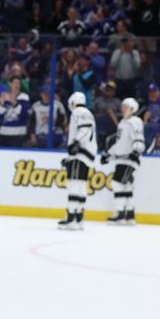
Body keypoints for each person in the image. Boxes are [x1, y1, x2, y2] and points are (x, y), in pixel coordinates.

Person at [102, 97, 145, 225]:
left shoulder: (135, 121)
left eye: (125, 106)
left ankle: (120, 213)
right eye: (122, 106)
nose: (122, 108)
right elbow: (119, 142)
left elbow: (138, 138)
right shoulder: (122, 123)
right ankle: (129, 214)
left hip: (128, 159)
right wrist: (108, 154)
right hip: (121, 159)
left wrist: (136, 151)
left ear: (132, 109)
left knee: (117, 183)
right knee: (126, 186)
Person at [58, 92, 97, 231]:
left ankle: (71, 218)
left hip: (79, 153)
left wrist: (75, 143)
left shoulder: (78, 112)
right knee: (80, 185)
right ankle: (79, 217)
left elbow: (84, 129)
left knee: (73, 184)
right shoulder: (89, 113)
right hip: (87, 155)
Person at [0, 76, 30, 147]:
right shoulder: (5, 96)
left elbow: (23, 114)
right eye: (15, 83)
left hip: (18, 132)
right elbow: (0, 113)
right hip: (4, 131)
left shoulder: (24, 97)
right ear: (10, 84)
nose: (17, 85)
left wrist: (14, 103)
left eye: (18, 83)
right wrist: (2, 104)